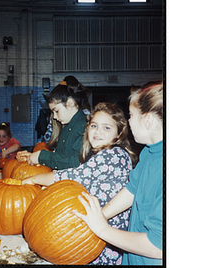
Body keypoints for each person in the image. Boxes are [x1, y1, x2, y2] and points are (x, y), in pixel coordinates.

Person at [22, 102, 137, 265]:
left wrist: (33, 179)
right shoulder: (110, 154)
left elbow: (69, 177)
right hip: (101, 235)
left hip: (105, 245)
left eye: (106, 128)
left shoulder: (112, 155)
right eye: (94, 126)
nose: (98, 132)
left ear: (118, 134)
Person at [73, 81, 163, 265]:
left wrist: (102, 229)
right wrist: (99, 216)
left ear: (148, 120)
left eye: (131, 115)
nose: (129, 121)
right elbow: (131, 190)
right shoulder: (149, 152)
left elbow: (158, 246)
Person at [20, 76, 91, 170]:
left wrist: (41, 157)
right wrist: (33, 156)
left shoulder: (84, 126)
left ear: (70, 103)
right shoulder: (66, 128)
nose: (54, 117)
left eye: (56, 111)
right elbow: (60, 157)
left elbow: (76, 162)